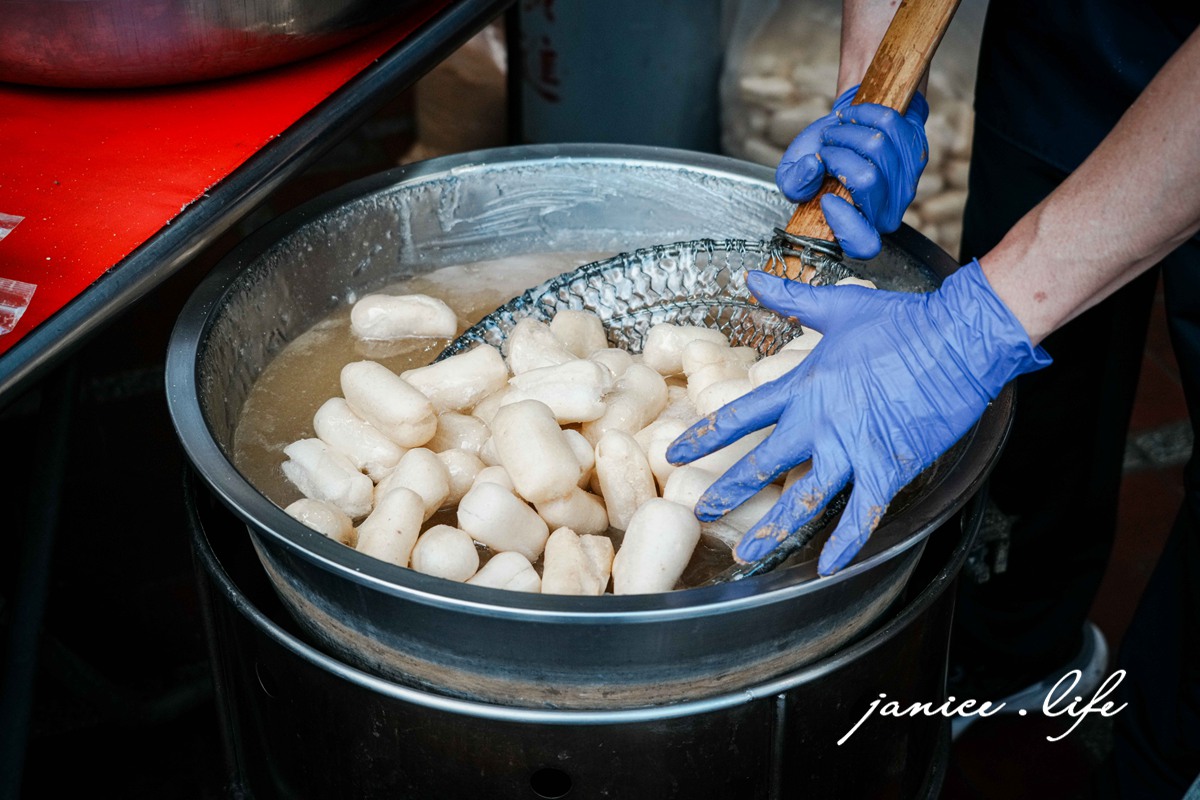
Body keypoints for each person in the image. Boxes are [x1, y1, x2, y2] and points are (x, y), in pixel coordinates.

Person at [666, 1, 1200, 796]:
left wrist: (973, 327)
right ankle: (1021, 658)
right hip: (1076, 32)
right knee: (1039, 397)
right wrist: (873, 92)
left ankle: (1165, 759)